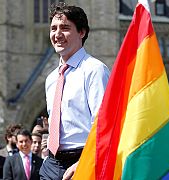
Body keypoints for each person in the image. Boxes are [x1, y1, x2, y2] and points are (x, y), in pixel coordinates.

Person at [39, 2, 110, 180]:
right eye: (53, 28)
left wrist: (85, 162)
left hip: (82, 160)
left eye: (65, 28)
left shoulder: (95, 70)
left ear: (82, 32)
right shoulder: (51, 78)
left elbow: (104, 126)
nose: (57, 34)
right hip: (52, 164)